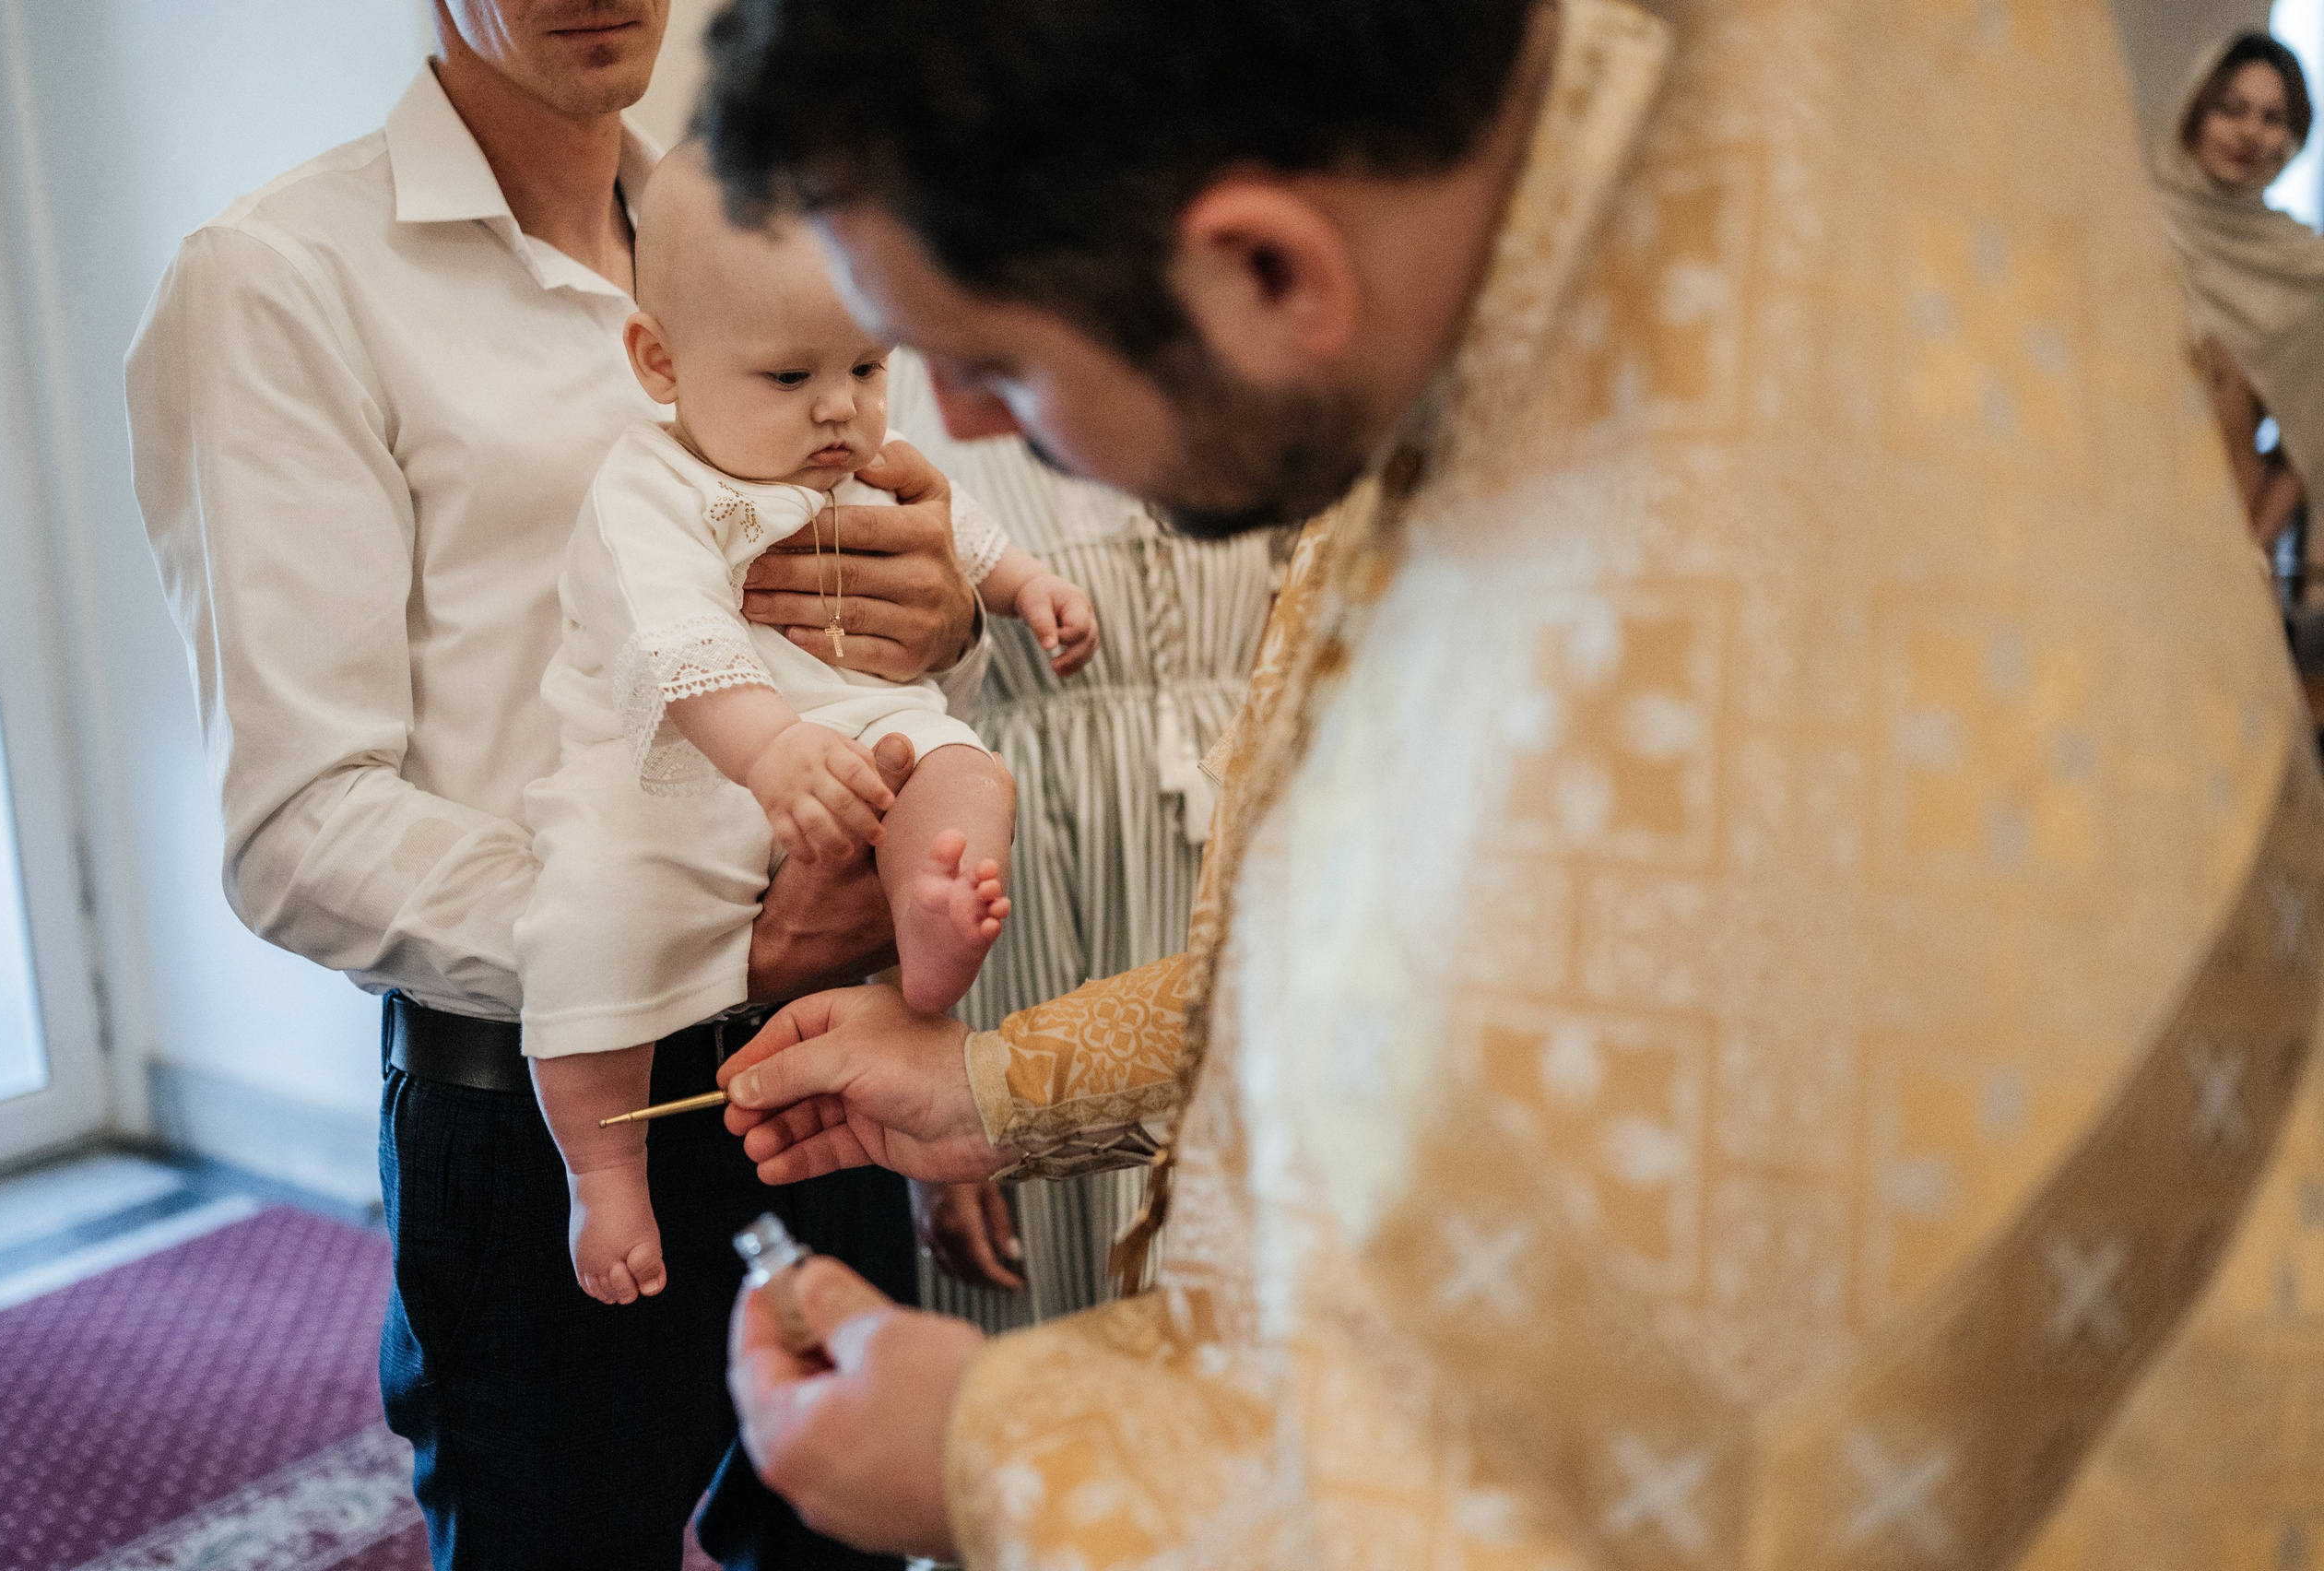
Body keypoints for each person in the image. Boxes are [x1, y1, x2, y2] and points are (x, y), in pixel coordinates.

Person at [698, 0, 2324, 1566]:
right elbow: (1366, 1019)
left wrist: (992, 1452)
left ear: (1270, 267)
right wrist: (996, 1087)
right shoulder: (1555, 299)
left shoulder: (1715, 699)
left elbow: (1593, 1506)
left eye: (991, 360)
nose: (957, 423)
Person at [124, 3, 987, 1566]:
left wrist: (949, 622)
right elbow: (298, 827)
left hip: (827, 1061)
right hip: (541, 1118)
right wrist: (690, 951)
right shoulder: (279, 279)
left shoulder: (761, 220)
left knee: (854, 1545)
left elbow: (851, 633)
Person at [522, 149, 1096, 1305]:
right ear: (660, 362)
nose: (840, 408)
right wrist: (771, 750)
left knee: (963, 767)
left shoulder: (861, 464)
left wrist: (1027, 586)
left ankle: (931, 914)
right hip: (679, 777)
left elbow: (964, 535)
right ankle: (603, 1169)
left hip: (850, 728)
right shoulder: (650, 489)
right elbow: (676, 639)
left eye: (867, 366)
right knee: (584, 925)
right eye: (790, 376)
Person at [884, 358, 1277, 1321]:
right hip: (1019, 873)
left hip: (1243, 850)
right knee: (1051, 1281)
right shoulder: (899, 398)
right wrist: (921, 1083)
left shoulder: (1236, 356)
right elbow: (872, 726)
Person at [2156, 32, 2324, 557]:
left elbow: (2313, 437)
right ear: (2194, 113)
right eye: (2231, 109)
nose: (2250, 132)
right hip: (2108, 495)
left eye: (2273, 118)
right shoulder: (2132, 222)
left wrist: (2252, 547)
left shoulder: (2306, 269)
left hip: (2223, 529)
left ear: (2293, 137)